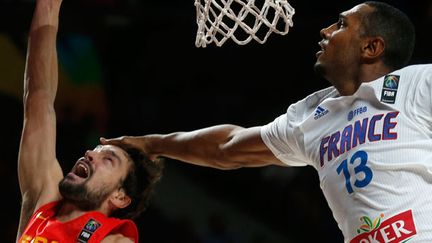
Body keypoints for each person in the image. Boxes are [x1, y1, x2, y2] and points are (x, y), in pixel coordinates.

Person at [101, 1, 432, 242]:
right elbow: (228, 147)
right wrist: (153, 144)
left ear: (372, 47)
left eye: (342, 25)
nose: (326, 30)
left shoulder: (418, 84)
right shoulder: (313, 115)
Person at [16, 0, 163, 242]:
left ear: (120, 196)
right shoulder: (44, 199)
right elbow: (38, 97)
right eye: (96, 150)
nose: (89, 154)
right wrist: (48, 6)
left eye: (108, 160)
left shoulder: (113, 239)